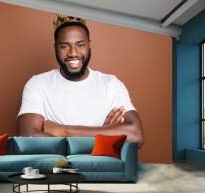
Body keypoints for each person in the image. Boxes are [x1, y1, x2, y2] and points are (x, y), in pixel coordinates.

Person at [17, 15, 144, 147]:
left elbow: (136, 135)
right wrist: (105, 135)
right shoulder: (38, 84)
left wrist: (62, 130)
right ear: (55, 48)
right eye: (64, 46)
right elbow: (27, 136)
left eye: (80, 45)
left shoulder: (111, 85)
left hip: (101, 167)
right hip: (56, 167)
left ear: (89, 45)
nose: (73, 53)